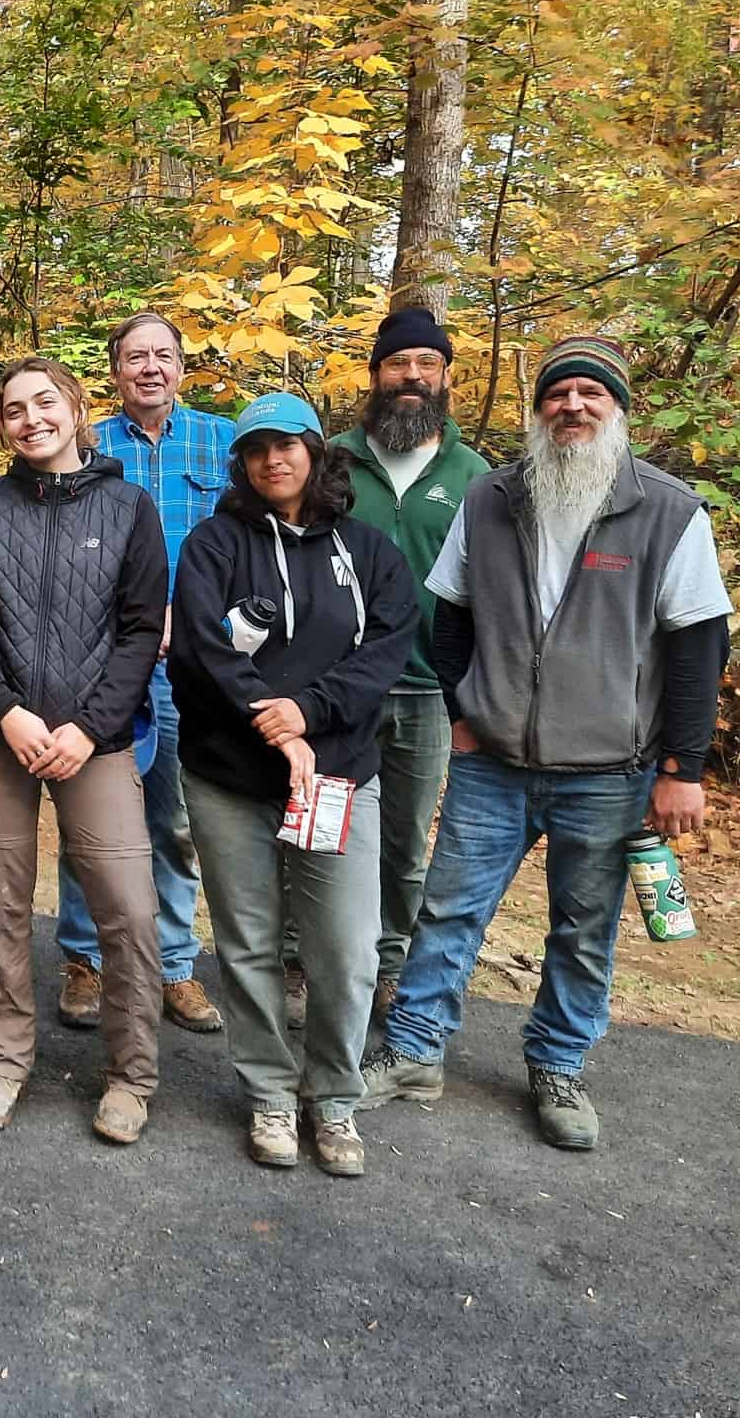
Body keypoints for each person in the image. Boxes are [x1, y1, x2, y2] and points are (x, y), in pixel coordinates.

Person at [361, 337, 733, 1150]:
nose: (572, 405)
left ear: (618, 411)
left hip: (609, 770)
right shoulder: (492, 499)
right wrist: (463, 708)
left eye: (591, 395)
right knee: (450, 909)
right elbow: (449, 612)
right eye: (558, 393)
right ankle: (414, 1051)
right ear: (539, 410)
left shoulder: (668, 512)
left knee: (583, 924)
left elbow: (700, 647)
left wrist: (684, 767)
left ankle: (559, 1066)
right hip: (492, 762)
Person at [170, 393, 418, 1175]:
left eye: (286, 445)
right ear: (240, 464)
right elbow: (202, 652)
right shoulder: (214, 546)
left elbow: (385, 650)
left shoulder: (369, 551)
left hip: (337, 779)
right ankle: (270, 1094)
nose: (273, 459)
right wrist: (263, 717)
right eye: (255, 450)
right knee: (247, 946)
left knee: (344, 950)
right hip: (229, 779)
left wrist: (306, 714)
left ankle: (334, 1099)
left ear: (315, 452)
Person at [0, 356, 168, 1142]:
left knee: (128, 907)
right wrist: (3, 713)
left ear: (74, 407)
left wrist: (88, 727)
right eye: (13, 409)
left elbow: (141, 631)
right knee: (1, 898)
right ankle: (3, 1061)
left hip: (92, 740)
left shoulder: (130, 507)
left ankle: (131, 1076)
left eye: (44, 403)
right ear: (2, 424)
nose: (30, 419)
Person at [282, 307, 489, 1026]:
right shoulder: (331, 458)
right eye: (398, 364)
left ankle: (389, 965)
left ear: (445, 377)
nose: (411, 376)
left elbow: (487, 589)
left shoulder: (474, 475)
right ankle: (298, 956)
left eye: (426, 364)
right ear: (374, 374)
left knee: (404, 842)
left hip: (430, 688)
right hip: (335, 688)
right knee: (317, 823)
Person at [53, 311, 229, 1036]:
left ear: (182, 367)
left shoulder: (222, 442)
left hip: (196, 667)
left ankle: (175, 965)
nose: (149, 368)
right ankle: (84, 960)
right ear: (115, 369)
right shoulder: (86, 444)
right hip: (101, 667)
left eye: (163, 356)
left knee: (175, 821)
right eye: (134, 357)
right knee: (89, 816)